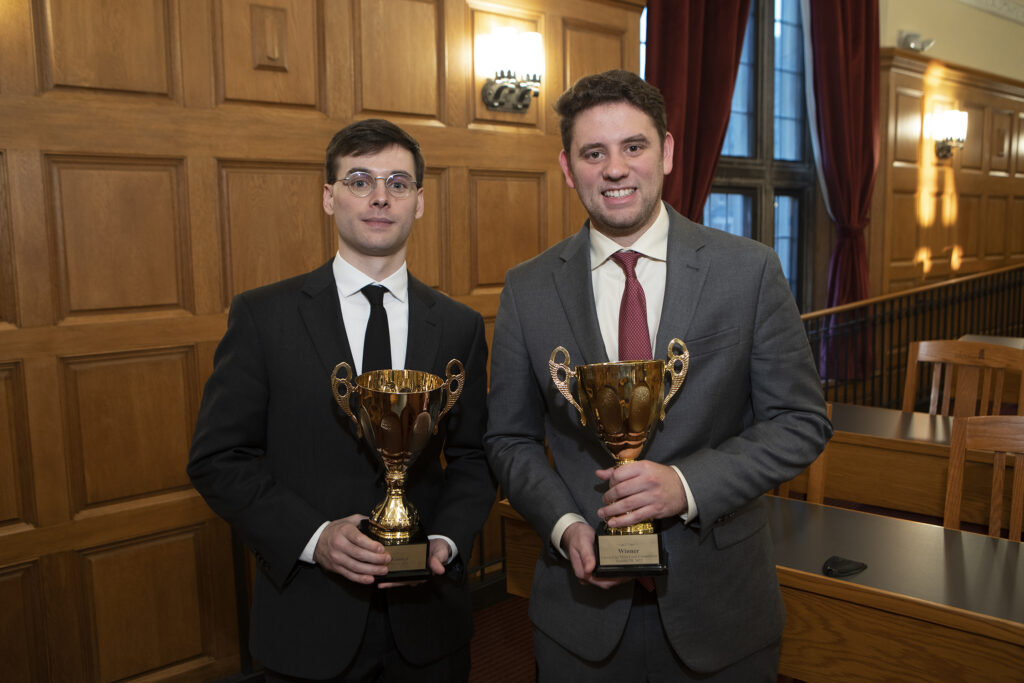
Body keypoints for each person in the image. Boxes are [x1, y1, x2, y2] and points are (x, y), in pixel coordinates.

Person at [484, 69, 832, 681]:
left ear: (667, 152)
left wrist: (686, 485)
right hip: (580, 614)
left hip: (721, 612)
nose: (615, 169)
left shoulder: (748, 271)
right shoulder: (527, 288)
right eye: (594, 153)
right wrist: (566, 528)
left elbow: (800, 422)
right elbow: (508, 440)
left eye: (634, 146)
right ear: (569, 167)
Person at [188, 119, 495, 682]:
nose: (380, 197)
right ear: (329, 196)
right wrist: (315, 538)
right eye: (360, 180)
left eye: (398, 183)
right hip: (308, 619)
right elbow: (218, 458)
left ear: (419, 203)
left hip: (429, 623)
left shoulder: (458, 326)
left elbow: (475, 458)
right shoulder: (264, 317)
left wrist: (447, 542)